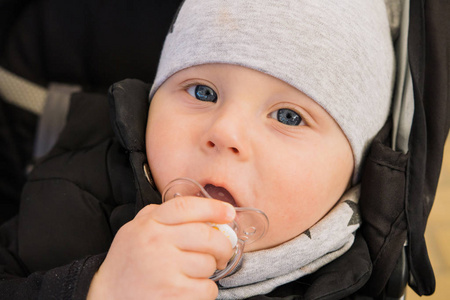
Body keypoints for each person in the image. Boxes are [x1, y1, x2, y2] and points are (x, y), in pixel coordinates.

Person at [0, 0, 394, 299]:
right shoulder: (69, 196)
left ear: (353, 171)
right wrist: (95, 288)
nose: (224, 132)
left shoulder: (357, 280)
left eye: (289, 117)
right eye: (203, 92)